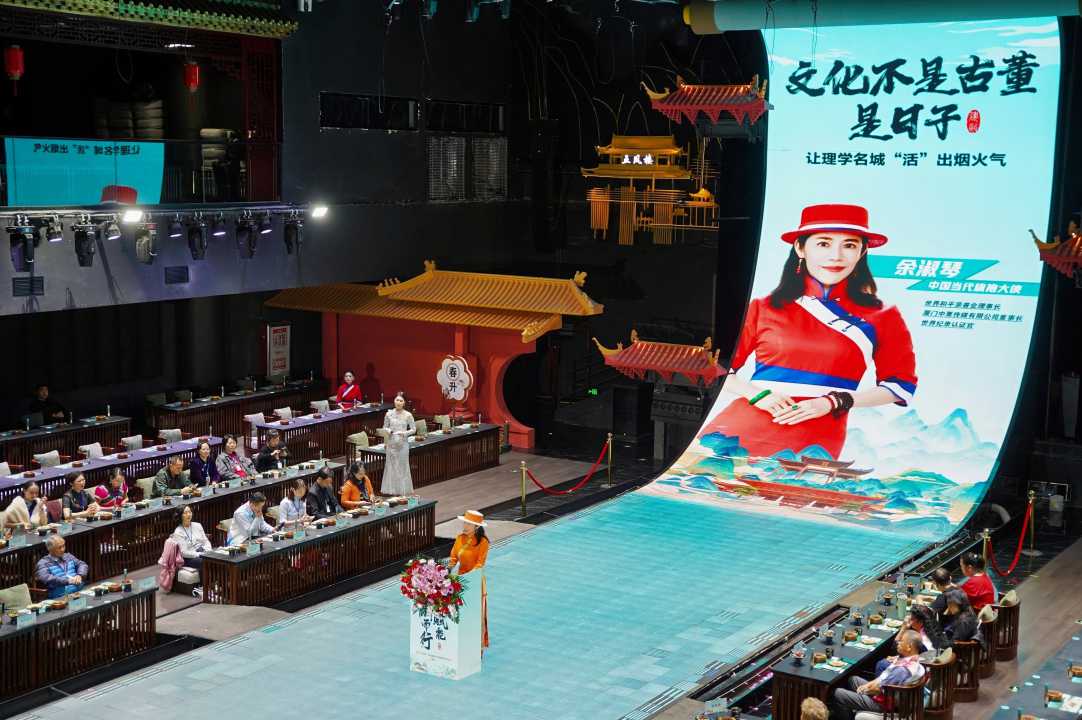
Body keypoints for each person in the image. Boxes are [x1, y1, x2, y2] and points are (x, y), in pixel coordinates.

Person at [702, 204, 917, 460]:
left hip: (817, 436)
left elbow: (900, 386)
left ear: (862, 252)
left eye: (849, 245)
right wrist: (757, 394)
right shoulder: (762, 308)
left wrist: (835, 401)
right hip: (740, 425)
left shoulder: (884, 316)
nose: (836, 256)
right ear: (800, 248)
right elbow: (715, 367)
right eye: (824, 244)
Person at [832, 629, 925, 720]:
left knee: (837, 693)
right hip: (887, 695)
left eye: (901, 641)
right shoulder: (913, 660)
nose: (898, 643)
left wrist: (865, 690)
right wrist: (868, 685)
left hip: (884, 704)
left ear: (909, 647)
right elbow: (882, 677)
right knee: (853, 679)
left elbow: (878, 690)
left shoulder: (902, 671)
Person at [448, 510, 490, 650]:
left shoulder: (483, 542)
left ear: (476, 527)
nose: (464, 526)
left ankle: (478, 647)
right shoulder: (459, 538)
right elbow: (454, 557)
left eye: (468, 524)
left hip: (475, 581)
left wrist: (468, 577)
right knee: (461, 612)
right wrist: (447, 569)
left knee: (476, 614)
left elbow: (480, 564)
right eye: (464, 523)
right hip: (460, 581)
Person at [380, 391, 416, 495]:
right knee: (391, 467)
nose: (398, 402)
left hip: (402, 444)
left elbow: (413, 429)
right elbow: (384, 427)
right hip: (391, 444)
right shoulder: (389, 414)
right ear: (394, 401)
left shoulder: (408, 415)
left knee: (402, 466)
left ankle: (402, 491)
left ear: (404, 403)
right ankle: (391, 490)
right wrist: (388, 431)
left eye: (401, 401)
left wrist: (404, 433)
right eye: (397, 400)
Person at [170, 506, 211, 570]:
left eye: (190, 512)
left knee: (216, 559)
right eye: (185, 513)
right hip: (189, 558)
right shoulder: (178, 532)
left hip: (202, 551)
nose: (188, 514)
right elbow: (184, 552)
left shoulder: (198, 525)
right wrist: (199, 554)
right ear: (180, 516)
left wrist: (208, 550)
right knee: (205, 562)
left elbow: (206, 541)